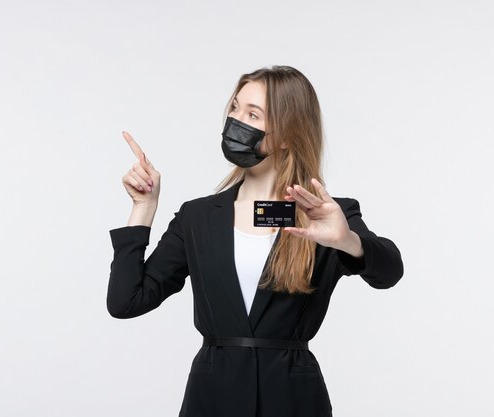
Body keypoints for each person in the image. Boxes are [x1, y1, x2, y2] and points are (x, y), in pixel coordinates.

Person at [106, 65, 404, 417]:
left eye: (253, 114)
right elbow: (126, 301)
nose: (236, 120)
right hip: (212, 399)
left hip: (293, 400)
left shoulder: (325, 214)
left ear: (288, 134)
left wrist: (348, 240)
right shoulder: (198, 217)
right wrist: (143, 208)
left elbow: (389, 272)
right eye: (234, 108)